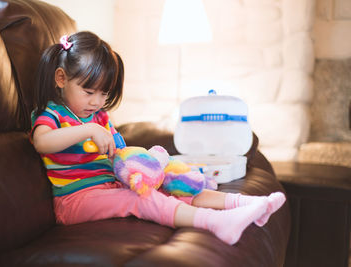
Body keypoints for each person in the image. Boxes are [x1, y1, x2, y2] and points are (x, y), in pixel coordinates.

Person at [31, 31, 286, 245]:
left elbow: (120, 152)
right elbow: (42, 141)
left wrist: (148, 164)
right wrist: (87, 131)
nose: (97, 102)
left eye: (104, 94)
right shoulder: (53, 114)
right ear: (61, 79)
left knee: (173, 186)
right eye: (89, 92)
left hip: (109, 185)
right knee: (139, 199)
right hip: (75, 200)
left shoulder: (99, 117)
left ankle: (246, 204)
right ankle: (216, 222)